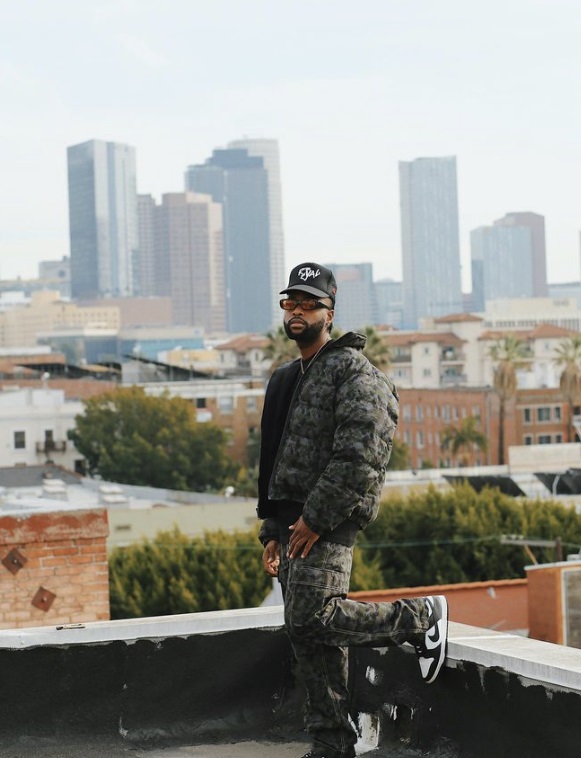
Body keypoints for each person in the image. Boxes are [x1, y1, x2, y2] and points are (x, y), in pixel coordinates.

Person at [257, 262, 448, 758]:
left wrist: (315, 519)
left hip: (327, 522)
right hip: (291, 524)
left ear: (330, 312)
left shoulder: (355, 373)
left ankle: (420, 618)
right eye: (291, 302)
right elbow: (272, 459)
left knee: (311, 619)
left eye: (310, 303)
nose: (297, 311)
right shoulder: (283, 379)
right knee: (310, 644)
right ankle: (331, 741)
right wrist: (271, 528)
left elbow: (361, 457)